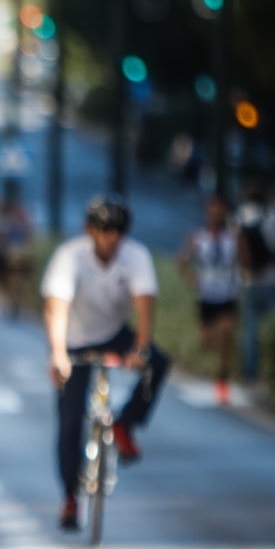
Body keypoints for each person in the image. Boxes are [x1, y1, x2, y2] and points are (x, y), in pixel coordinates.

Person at [40, 194, 172, 531]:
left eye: (117, 230)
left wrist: (140, 349)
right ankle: (69, 496)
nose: (111, 237)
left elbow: (144, 305)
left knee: (158, 362)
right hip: (75, 339)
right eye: (104, 229)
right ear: (90, 230)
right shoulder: (69, 257)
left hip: (114, 333)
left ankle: (125, 424)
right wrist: (57, 354)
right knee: (70, 420)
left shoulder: (135, 256)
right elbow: (56, 307)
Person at [177, 194, 240, 404]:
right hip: (207, 296)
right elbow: (182, 261)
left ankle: (222, 377)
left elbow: (246, 259)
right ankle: (214, 361)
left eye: (220, 211)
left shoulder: (233, 238)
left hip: (227, 295)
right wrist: (193, 281)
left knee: (226, 332)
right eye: (212, 211)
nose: (216, 215)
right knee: (207, 343)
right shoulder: (198, 238)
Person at [235, 181, 275, 382]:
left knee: (250, 332)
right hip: (272, 281)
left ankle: (250, 373)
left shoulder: (241, 215)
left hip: (249, 281)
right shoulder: (274, 216)